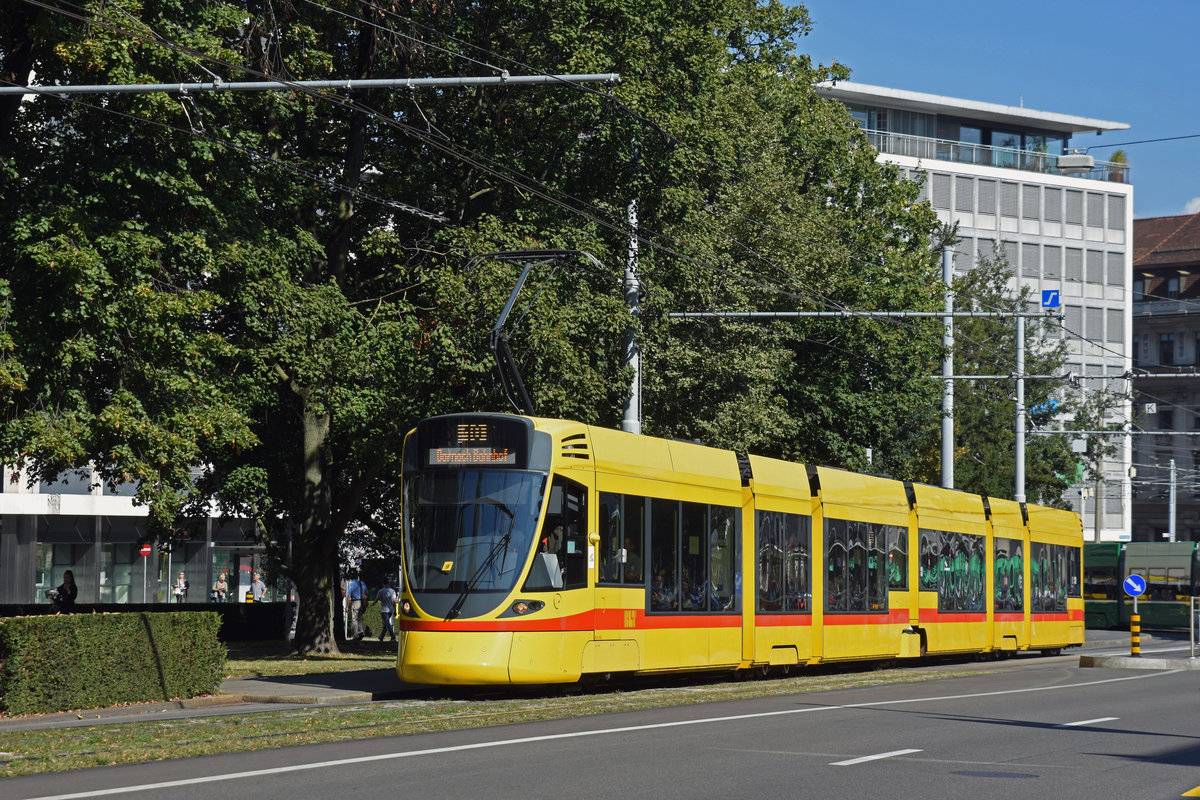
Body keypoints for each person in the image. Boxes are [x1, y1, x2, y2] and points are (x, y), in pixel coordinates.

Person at [346, 571, 367, 640]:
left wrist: (347, 606)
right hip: (362, 602)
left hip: (355, 602)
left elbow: (348, 596)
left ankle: (355, 635)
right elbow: (366, 594)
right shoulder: (362, 583)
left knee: (354, 619)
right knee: (359, 617)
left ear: (351, 578)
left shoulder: (351, 584)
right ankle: (361, 631)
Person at [376, 576, 398, 642]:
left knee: (387, 624)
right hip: (390, 610)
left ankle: (393, 636)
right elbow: (394, 601)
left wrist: (373, 604)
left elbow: (377, 599)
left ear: (383, 583)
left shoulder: (381, 591)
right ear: (388, 583)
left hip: (384, 610)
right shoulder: (392, 591)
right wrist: (395, 610)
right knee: (385, 624)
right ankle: (381, 637)